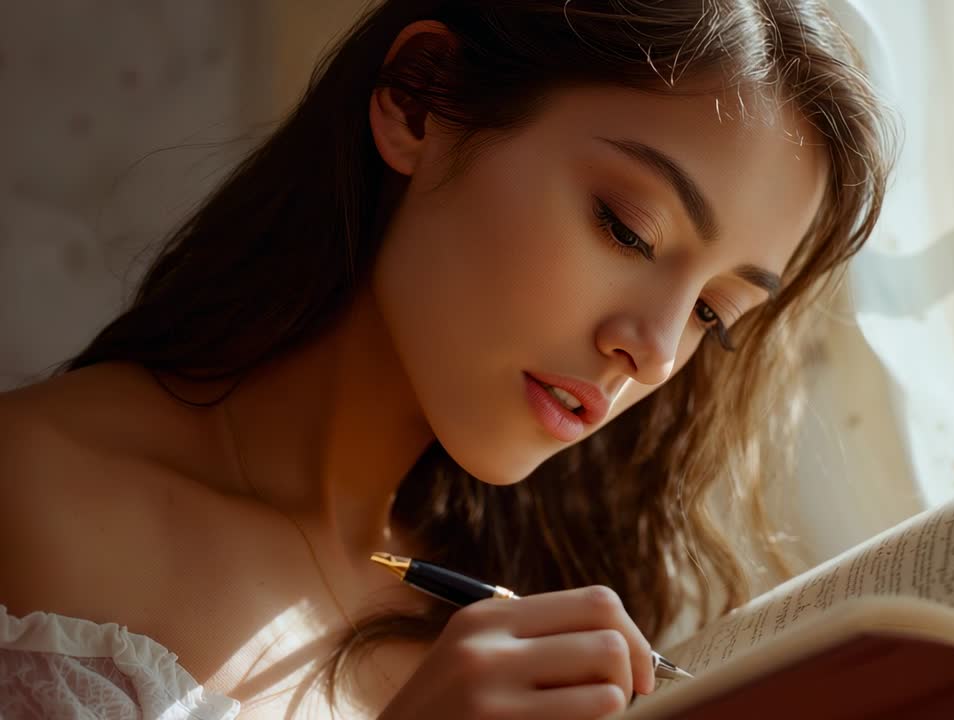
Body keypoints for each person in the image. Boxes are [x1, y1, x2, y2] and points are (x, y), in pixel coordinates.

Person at [0, 0, 891, 717]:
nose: (653, 351)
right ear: (421, 101)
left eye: (712, 312)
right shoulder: (28, 491)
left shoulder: (537, 616)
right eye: (627, 228)